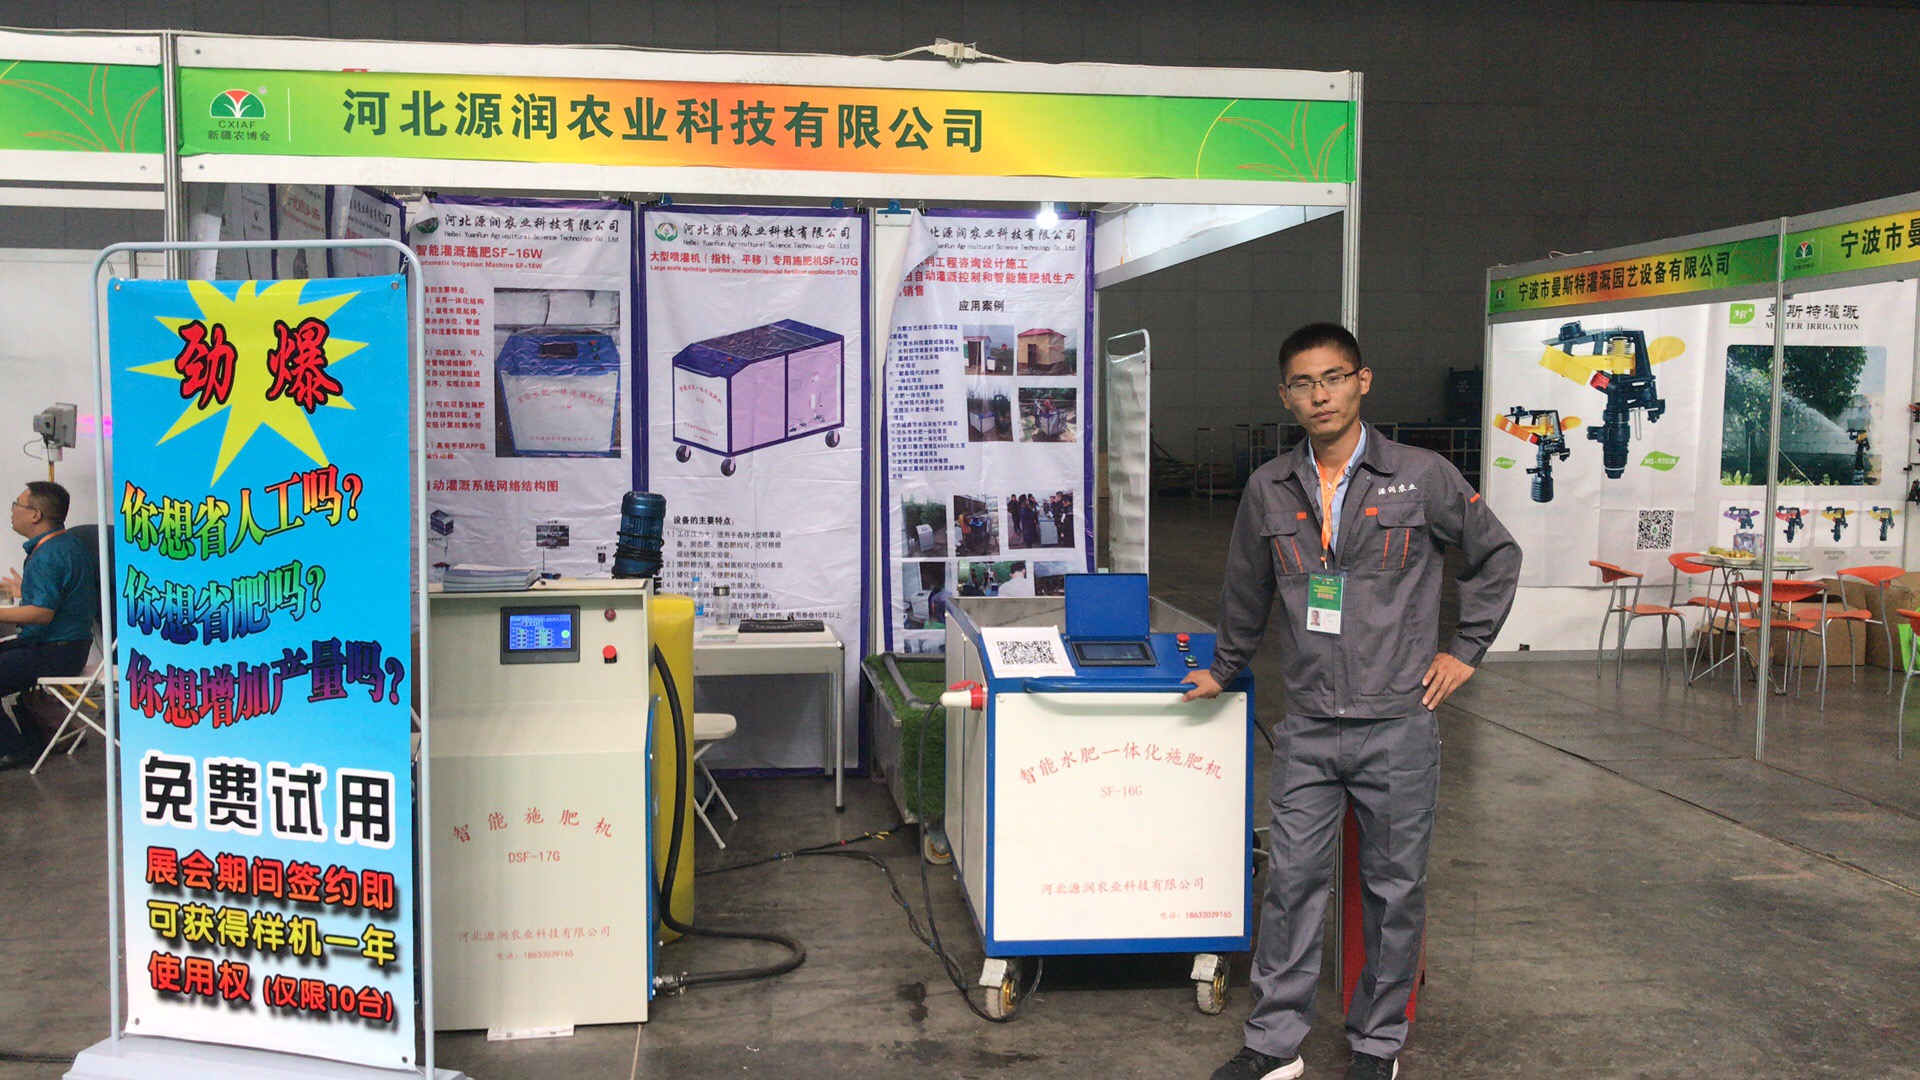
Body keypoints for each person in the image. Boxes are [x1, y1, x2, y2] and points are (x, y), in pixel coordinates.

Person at [1187, 323, 1521, 1080]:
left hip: (1398, 722)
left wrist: (1465, 649)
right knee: (1291, 883)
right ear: (1285, 396)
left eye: (1334, 378)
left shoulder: (1422, 476)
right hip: (1308, 724)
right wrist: (1224, 668)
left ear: (1361, 382)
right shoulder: (1270, 487)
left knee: (1394, 891)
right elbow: (1245, 588)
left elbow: (1497, 553)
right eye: (1304, 384)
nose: (1321, 396)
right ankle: (1274, 1043)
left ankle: (1377, 1044)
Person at [0, 481, 100, 770]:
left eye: (17, 504)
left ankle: (12, 750)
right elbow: (62, 596)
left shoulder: (48, 555)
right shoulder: (65, 544)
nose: (12, 510)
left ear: (35, 515)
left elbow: (42, 614)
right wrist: (25, 591)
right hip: (68, 647)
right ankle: (31, 739)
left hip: (56, 652)